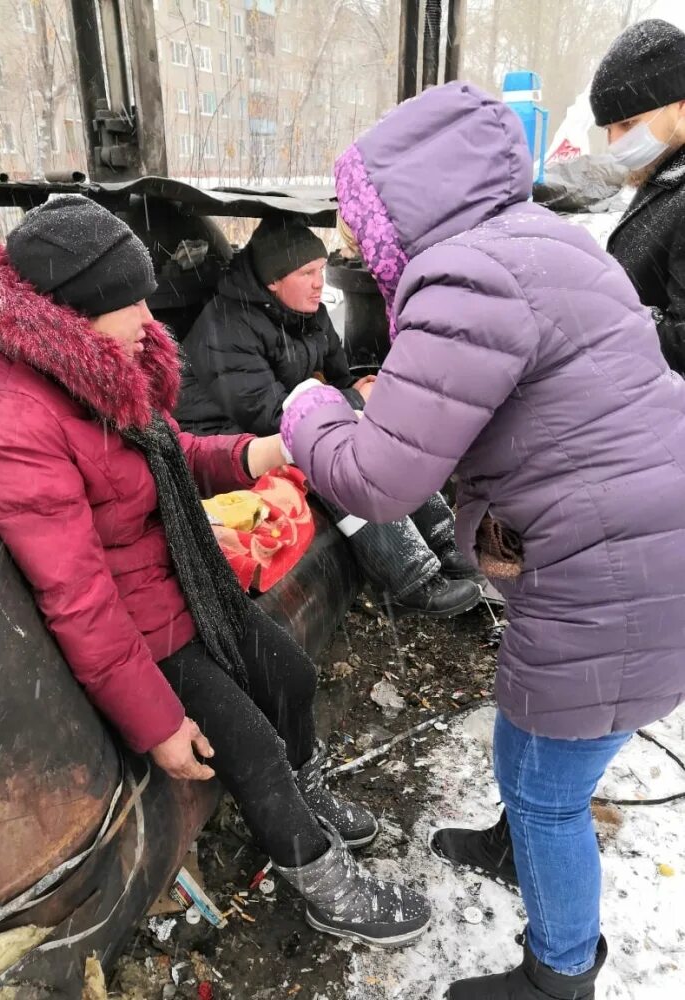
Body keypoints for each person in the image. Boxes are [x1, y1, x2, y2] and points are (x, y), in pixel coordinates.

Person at [0, 195, 430, 948]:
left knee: (289, 677)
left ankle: (308, 793)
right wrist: (159, 723)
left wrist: (258, 454)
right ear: (73, 310)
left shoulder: (92, 359)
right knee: (250, 744)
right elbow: (78, 598)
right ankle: (321, 880)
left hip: (183, 581)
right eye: (129, 301)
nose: (148, 316)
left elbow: (171, 454)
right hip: (135, 627)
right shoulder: (4, 418)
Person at [279, 83, 685, 998]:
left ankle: (560, 971)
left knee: (551, 786)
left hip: (616, 572)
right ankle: (520, 848)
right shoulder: (544, 243)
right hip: (643, 542)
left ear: (405, 204)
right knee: (535, 741)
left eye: (359, 219)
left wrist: (311, 413)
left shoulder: (461, 276)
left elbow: (381, 480)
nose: (352, 243)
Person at [176, 216, 482, 620]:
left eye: (321, 270)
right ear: (272, 281)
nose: (320, 282)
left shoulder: (309, 312)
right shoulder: (227, 329)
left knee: (381, 430)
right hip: (227, 441)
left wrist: (366, 397)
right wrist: (355, 398)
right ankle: (411, 579)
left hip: (291, 416)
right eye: (306, 273)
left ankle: (443, 540)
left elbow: (337, 379)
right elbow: (268, 417)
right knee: (330, 462)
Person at [592, 18, 685, 374]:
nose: (615, 142)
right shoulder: (663, 169)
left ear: (679, 104)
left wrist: (603, 313)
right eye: (608, 129)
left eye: (628, 124)